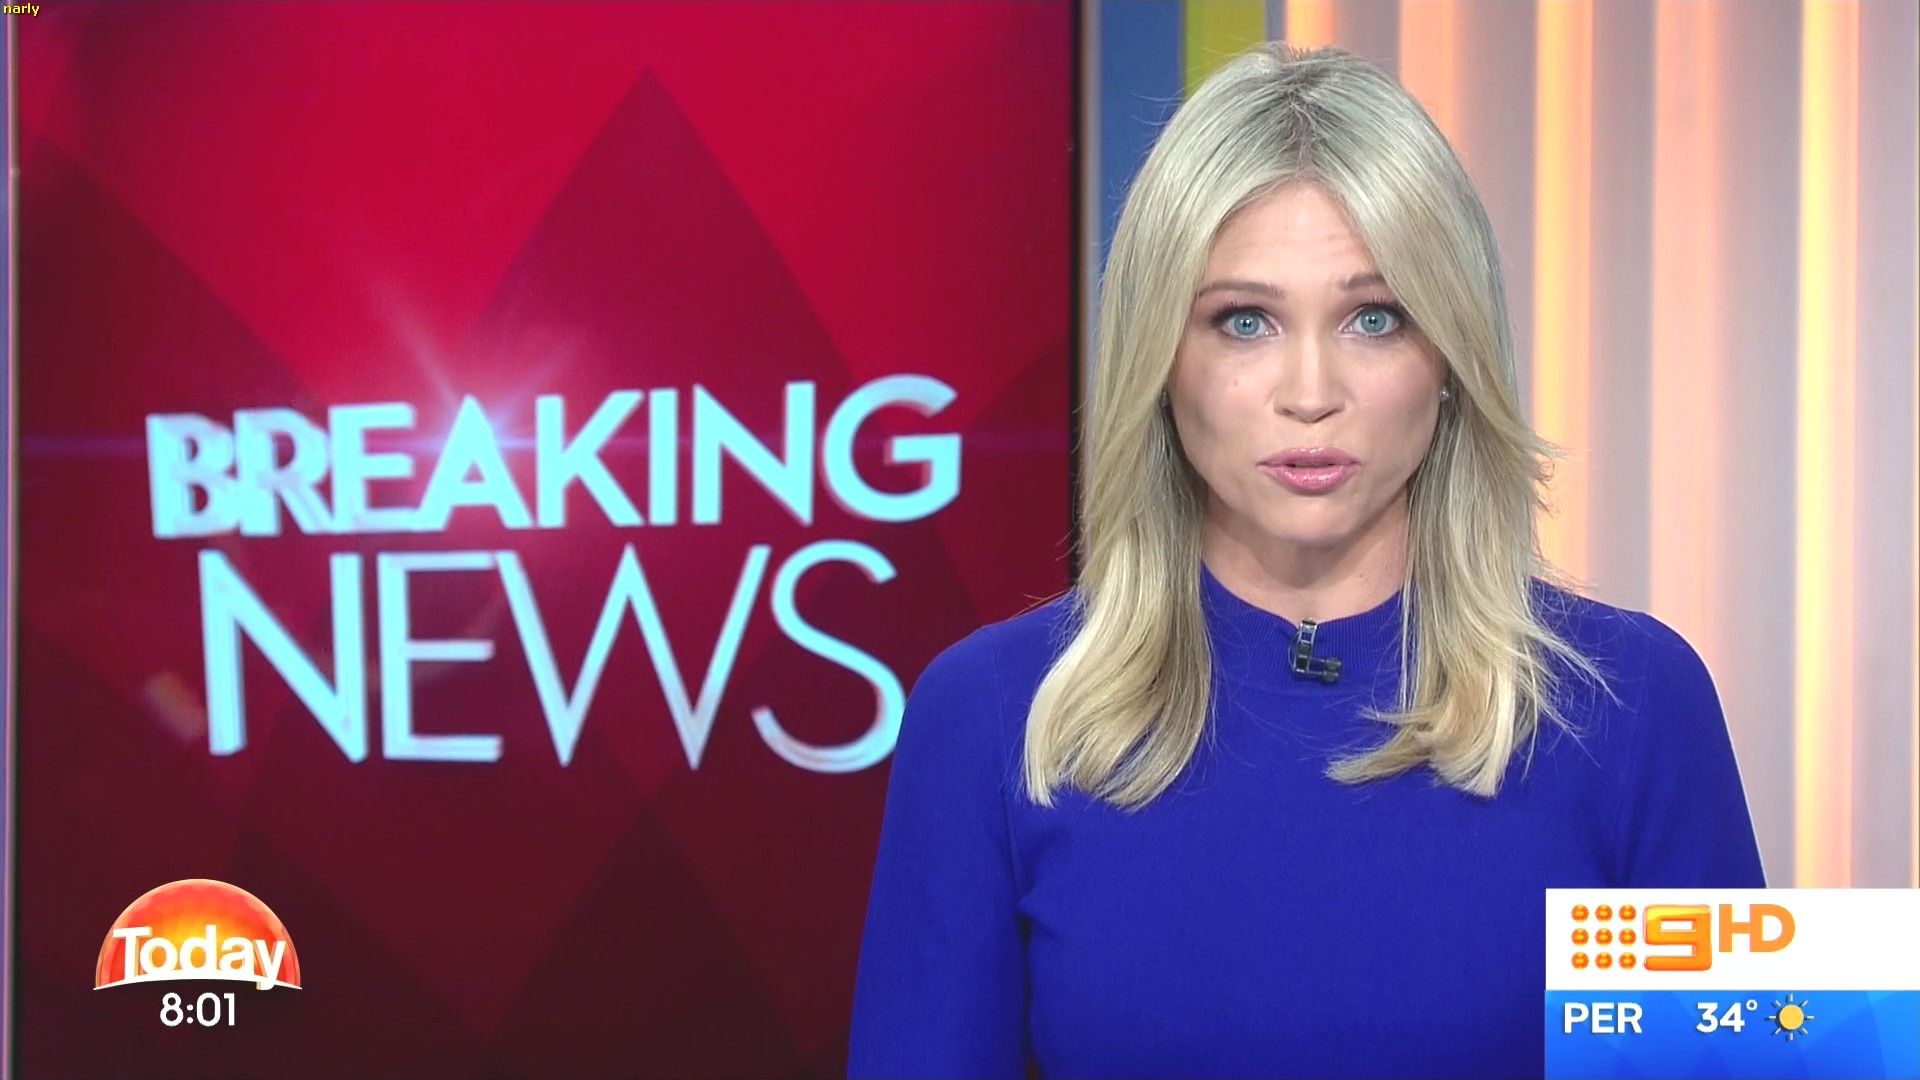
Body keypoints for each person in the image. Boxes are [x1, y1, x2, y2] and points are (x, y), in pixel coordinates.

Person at [846, 41, 1765, 1080]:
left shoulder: (1635, 703)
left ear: (1451, 356)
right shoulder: (991, 717)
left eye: (1375, 318)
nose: (1311, 392)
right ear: (1160, 360)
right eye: (1245, 322)